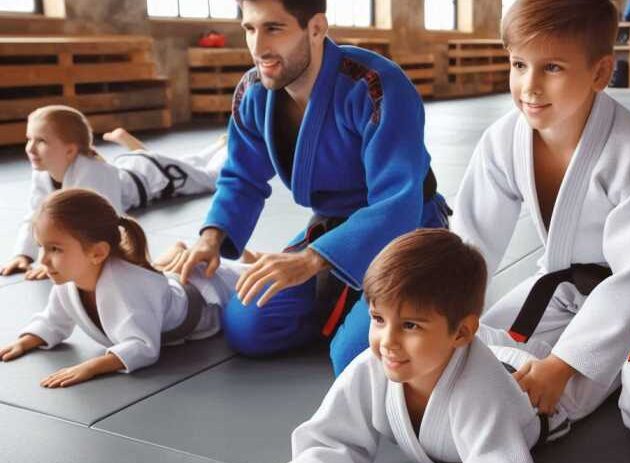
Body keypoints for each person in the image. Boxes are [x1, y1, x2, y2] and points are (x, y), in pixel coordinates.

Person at [452, 0, 630, 447]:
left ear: (599, 73)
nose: (530, 87)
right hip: (572, 281)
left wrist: (562, 365)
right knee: (475, 349)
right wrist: (444, 308)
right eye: (519, 64)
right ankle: (611, 362)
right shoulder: (503, 140)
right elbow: (470, 241)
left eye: (551, 67)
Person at [171, 0, 450, 374]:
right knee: (248, 327)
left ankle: (415, 289)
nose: (258, 47)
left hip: (408, 227)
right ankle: (348, 295)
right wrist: (212, 237)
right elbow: (241, 175)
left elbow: (398, 199)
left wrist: (311, 261)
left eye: (274, 28)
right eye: (249, 29)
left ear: (316, 28)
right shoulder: (253, 91)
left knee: (354, 357)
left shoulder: (375, 85)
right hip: (332, 227)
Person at [253, 229, 584, 463]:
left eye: (410, 325)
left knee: (598, 372)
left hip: (536, 390)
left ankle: (586, 296)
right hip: (469, 350)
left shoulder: (484, 392)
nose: (388, 341)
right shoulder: (373, 366)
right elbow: (334, 434)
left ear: (462, 332)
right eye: (378, 319)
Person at [0, 189, 244, 388]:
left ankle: (239, 260)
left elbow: (143, 347)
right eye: (41, 247)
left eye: (54, 249)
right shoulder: (69, 282)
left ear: (97, 252)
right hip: (165, 286)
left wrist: (90, 367)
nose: (42, 261)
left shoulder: (126, 289)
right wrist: (25, 341)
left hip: (205, 299)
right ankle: (177, 255)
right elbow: (53, 320)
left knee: (241, 276)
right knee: (163, 275)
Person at [1, 105, 225, 280]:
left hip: (158, 177)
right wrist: (23, 254)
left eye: (40, 141)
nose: (29, 148)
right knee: (189, 162)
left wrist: (50, 260)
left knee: (211, 177)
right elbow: (35, 217)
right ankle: (213, 146)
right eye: (29, 138)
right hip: (134, 165)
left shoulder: (94, 173)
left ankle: (225, 146)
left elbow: (108, 224)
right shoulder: (43, 171)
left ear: (70, 150)